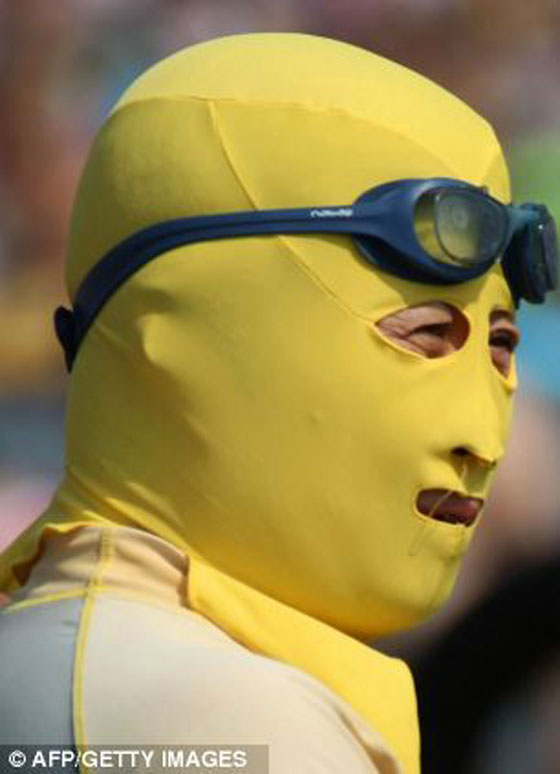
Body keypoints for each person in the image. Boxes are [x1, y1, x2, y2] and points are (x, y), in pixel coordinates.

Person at [0, 33, 556, 774]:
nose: (484, 441)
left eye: (502, 349)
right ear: (180, 340)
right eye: (423, 336)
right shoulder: (203, 713)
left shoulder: (72, 650)